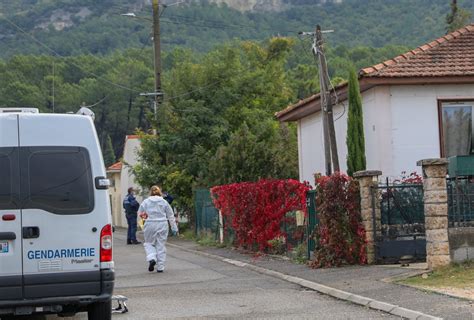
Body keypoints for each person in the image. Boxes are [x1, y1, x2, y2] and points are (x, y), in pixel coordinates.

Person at [138, 185, 178, 273]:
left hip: (150, 223)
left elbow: (141, 214)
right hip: (162, 224)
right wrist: (174, 228)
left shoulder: (146, 202)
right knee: (161, 245)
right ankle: (160, 267)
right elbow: (170, 215)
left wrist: (143, 224)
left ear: (150, 192)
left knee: (149, 243)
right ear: (160, 192)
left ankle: (152, 258)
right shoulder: (164, 202)